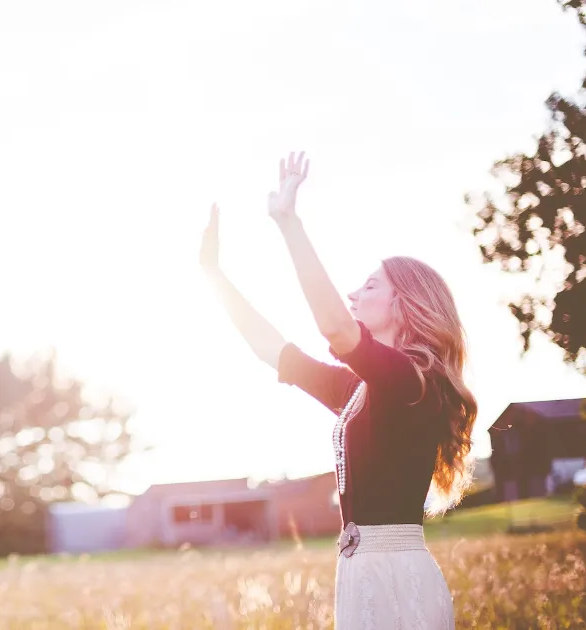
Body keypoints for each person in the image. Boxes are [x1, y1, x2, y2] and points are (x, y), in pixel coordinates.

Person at [198, 152, 474, 628]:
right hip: (360, 574)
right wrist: (215, 276)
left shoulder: (413, 384)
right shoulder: (362, 388)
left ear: (405, 304)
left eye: (370, 286)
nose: (353, 295)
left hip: (396, 578)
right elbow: (274, 350)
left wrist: (289, 223)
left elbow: (335, 327)